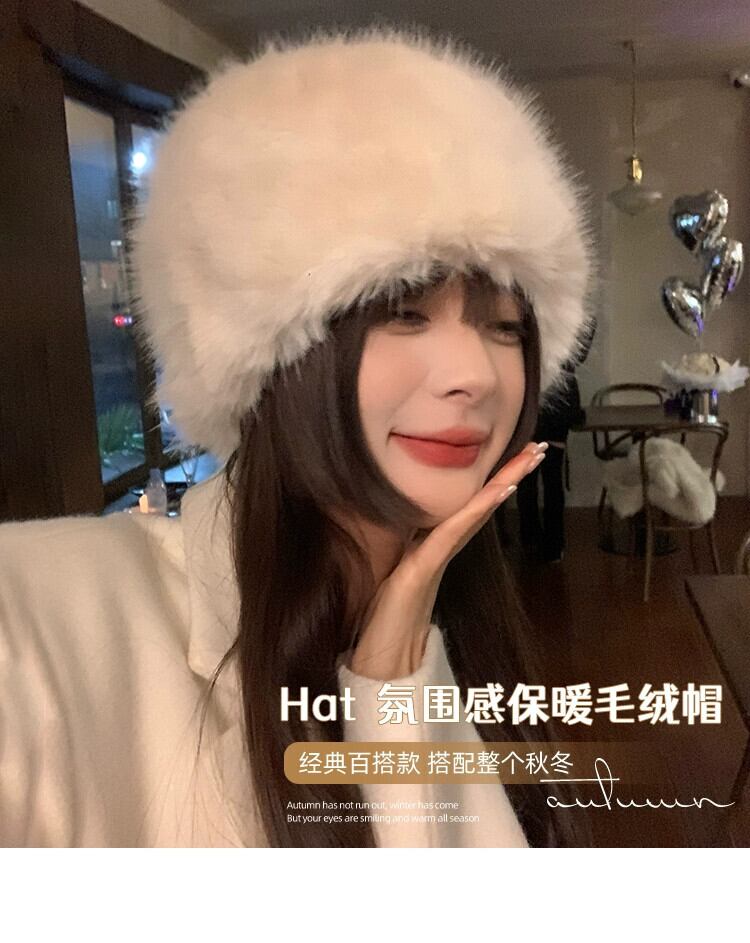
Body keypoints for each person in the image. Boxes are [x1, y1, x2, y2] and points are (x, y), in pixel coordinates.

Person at [0, 26, 594, 847]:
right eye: (404, 312)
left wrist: (392, 681)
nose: (475, 375)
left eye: (503, 326)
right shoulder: (56, 614)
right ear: (275, 357)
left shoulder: (467, 624)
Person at [516, 316, 597, 562]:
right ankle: (551, 544)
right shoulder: (575, 319)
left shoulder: (535, 316)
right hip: (556, 401)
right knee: (548, 478)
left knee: (530, 477)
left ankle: (533, 540)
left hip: (536, 401)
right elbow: (577, 357)